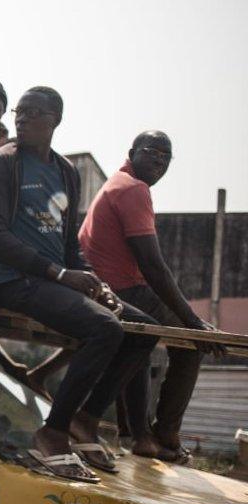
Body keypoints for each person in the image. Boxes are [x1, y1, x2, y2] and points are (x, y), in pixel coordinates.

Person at [0, 87, 159, 482]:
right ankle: (53, 430)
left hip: (51, 277)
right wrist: (60, 275)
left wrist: (91, 279)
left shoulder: (65, 171)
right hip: (11, 279)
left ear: (54, 120)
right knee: (105, 328)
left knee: (144, 331)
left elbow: (66, 245)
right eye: (19, 112)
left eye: (32, 112)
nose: (21, 118)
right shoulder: (2, 164)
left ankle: (86, 419)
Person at [79, 131, 225, 461]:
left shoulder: (118, 184)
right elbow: (154, 266)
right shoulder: (133, 189)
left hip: (106, 287)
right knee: (190, 344)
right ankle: (166, 433)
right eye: (152, 151)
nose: (159, 160)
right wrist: (194, 323)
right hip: (120, 289)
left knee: (140, 350)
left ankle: (137, 434)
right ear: (132, 152)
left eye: (166, 156)